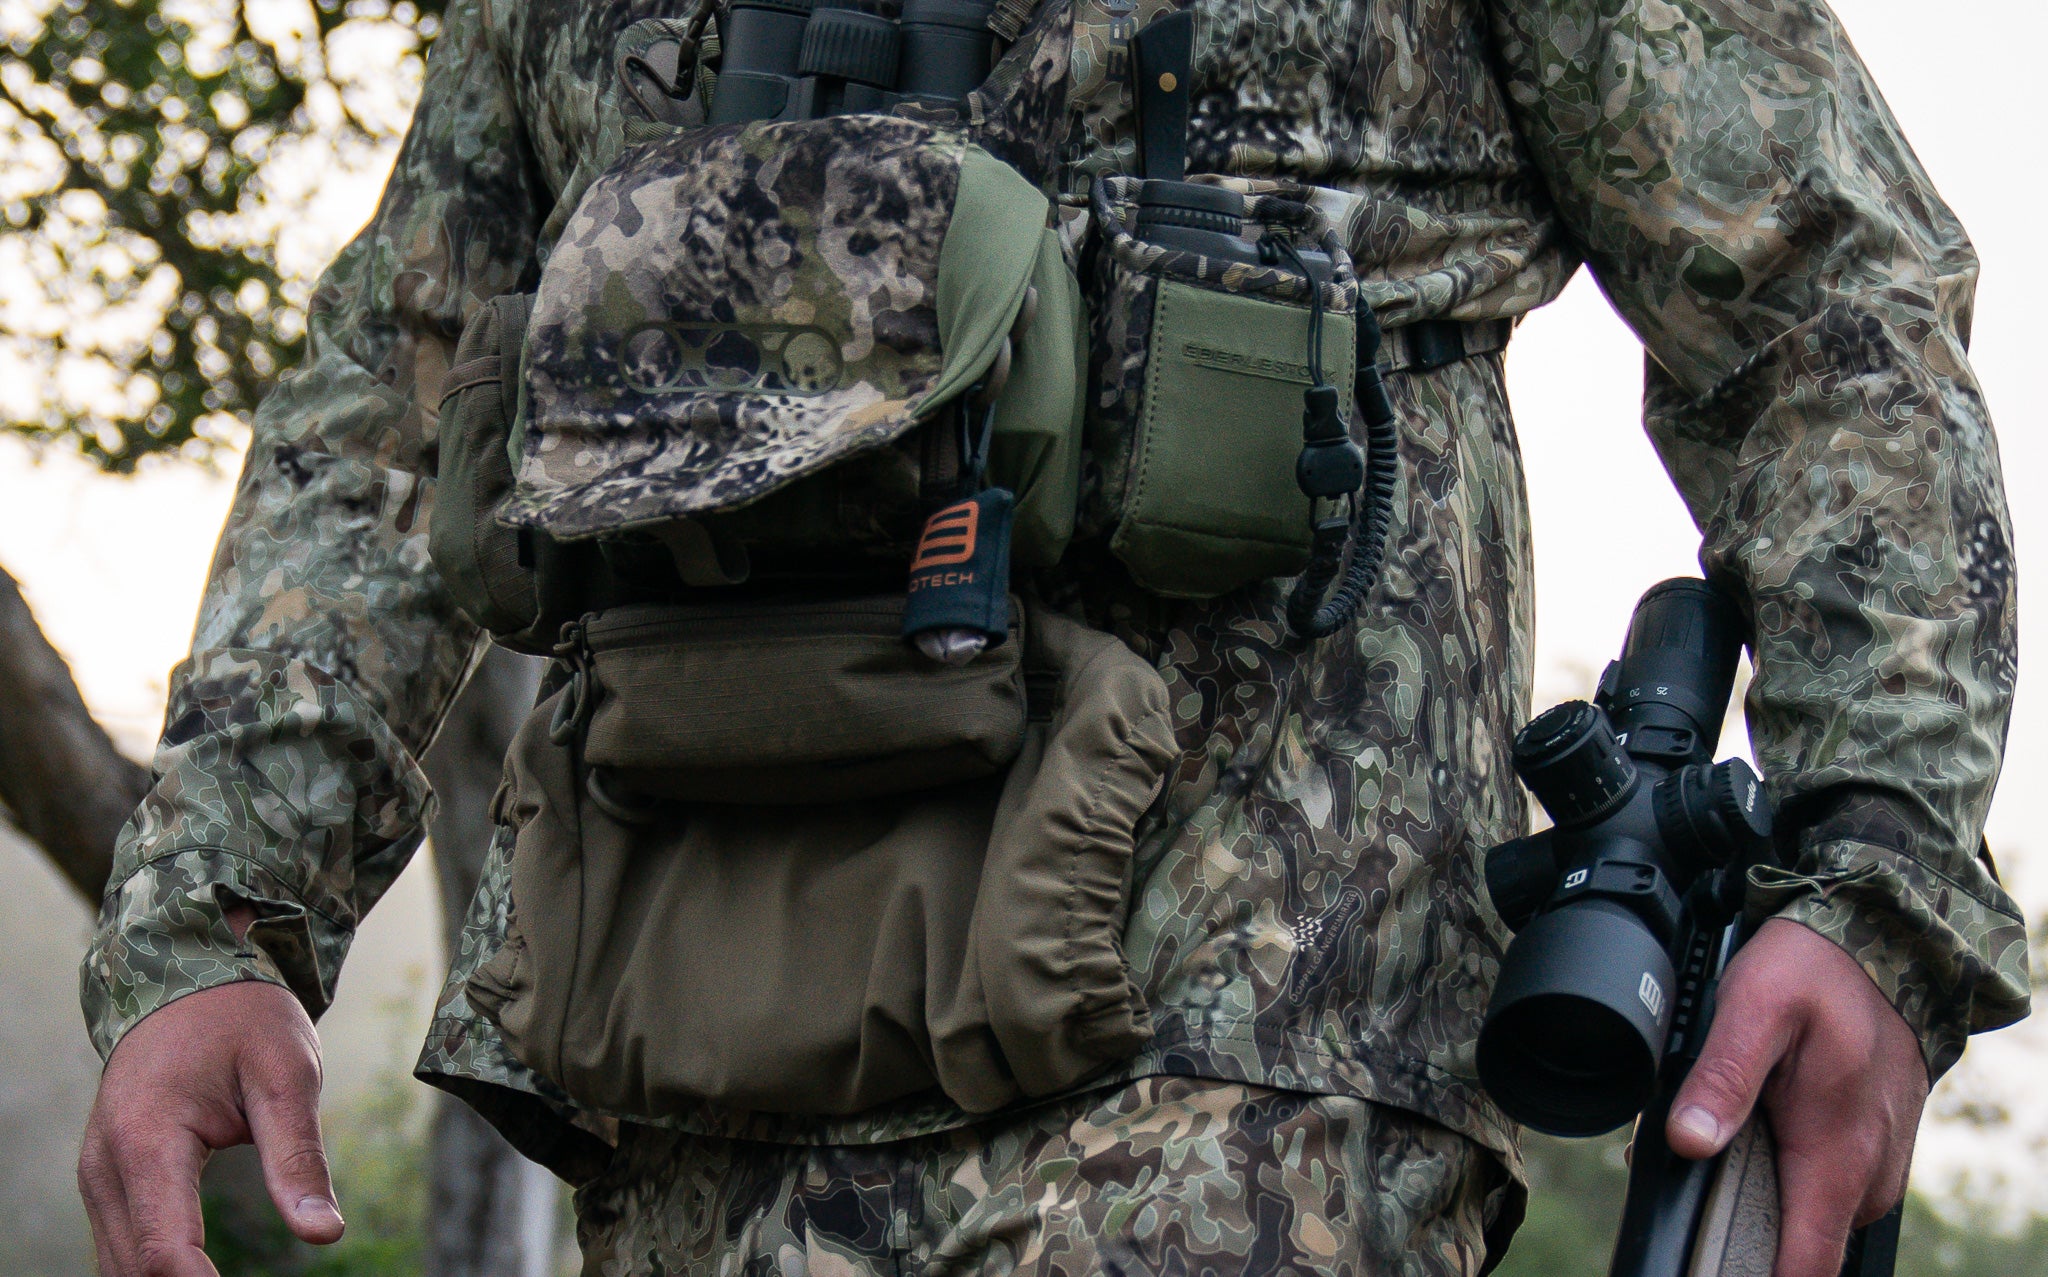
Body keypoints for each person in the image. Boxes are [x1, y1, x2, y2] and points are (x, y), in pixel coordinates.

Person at [75, 0, 2025, 1273]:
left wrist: (1873, 885)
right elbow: (393, 408)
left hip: (1248, 1044)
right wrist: (209, 923)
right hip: (708, 1050)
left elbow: (1823, 311)